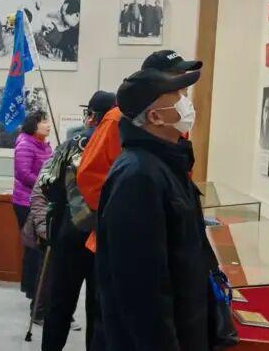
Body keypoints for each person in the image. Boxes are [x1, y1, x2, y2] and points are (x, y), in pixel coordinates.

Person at [96, 68, 221, 351]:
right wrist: (158, 341)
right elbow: (138, 273)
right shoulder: (138, 174)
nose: (187, 105)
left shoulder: (165, 164)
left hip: (173, 342)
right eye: (178, 98)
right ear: (155, 116)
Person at [24, 90, 118, 351]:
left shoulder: (72, 145)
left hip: (69, 235)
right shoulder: (121, 147)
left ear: (91, 115)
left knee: (61, 303)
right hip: (105, 238)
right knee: (98, 309)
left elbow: (46, 183)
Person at [77, 50, 202, 255]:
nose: (183, 86)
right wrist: (126, 213)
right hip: (130, 236)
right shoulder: (117, 120)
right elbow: (89, 175)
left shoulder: (175, 120)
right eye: (176, 77)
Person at [13, 110, 54, 299]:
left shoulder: (45, 145)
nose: (48, 125)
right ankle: (31, 288)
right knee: (33, 246)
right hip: (26, 201)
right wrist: (47, 183)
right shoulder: (25, 144)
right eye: (43, 121)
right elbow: (24, 174)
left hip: (42, 200)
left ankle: (35, 286)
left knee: (39, 247)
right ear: (33, 125)